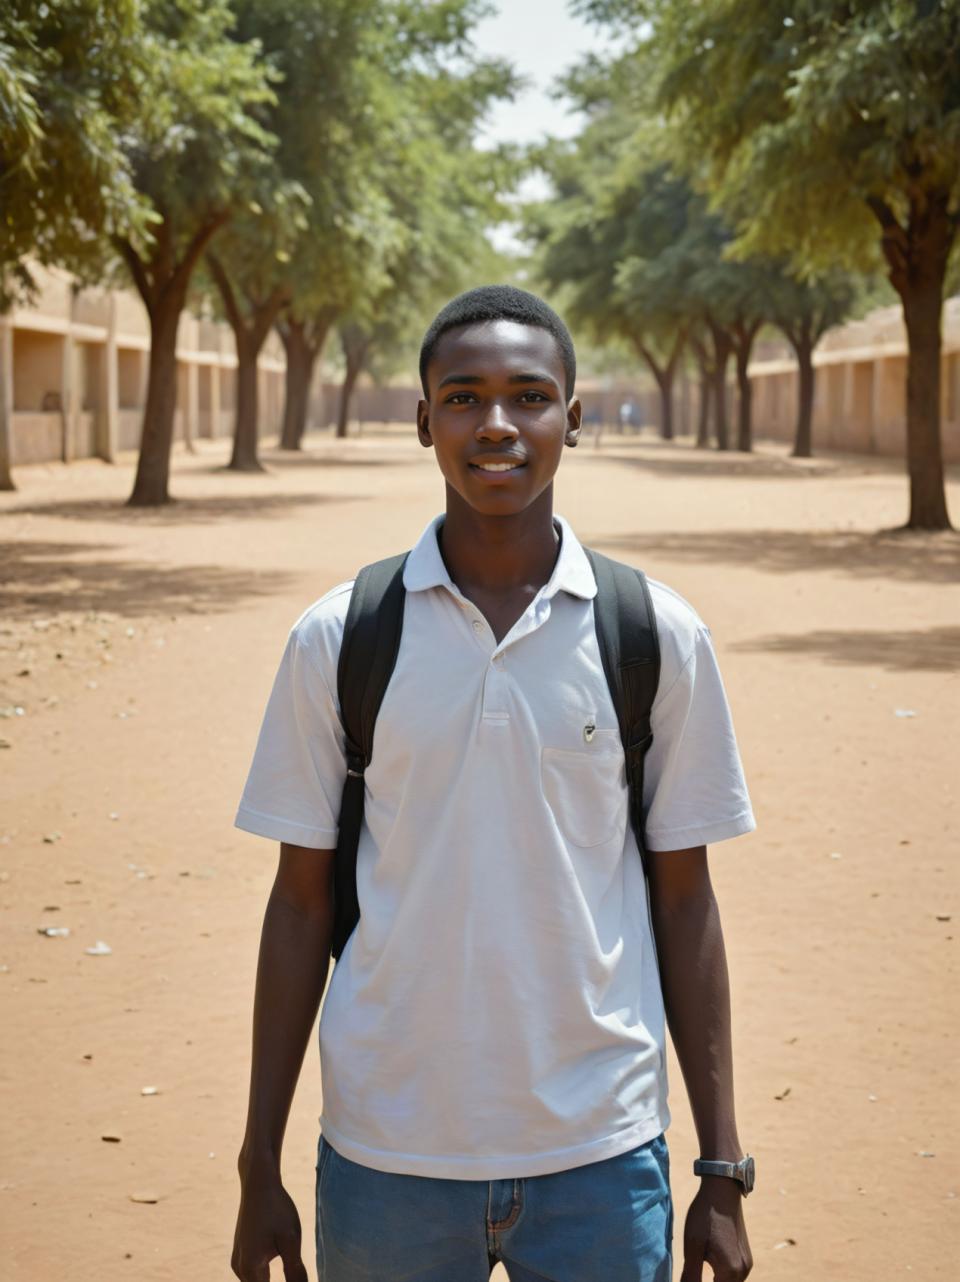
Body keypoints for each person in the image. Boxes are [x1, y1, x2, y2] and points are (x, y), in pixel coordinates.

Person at [231, 285, 755, 1282]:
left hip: (601, 1154)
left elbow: (685, 900)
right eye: (464, 397)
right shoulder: (342, 637)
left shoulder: (653, 637)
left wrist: (721, 1168)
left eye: (530, 395)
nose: (498, 424)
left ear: (574, 416)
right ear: (423, 419)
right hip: (388, 1154)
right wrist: (259, 1161)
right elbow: (300, 902)